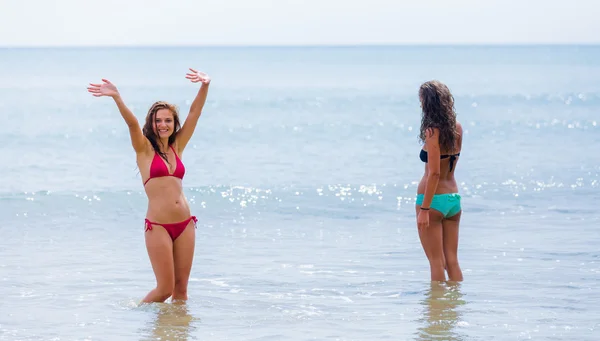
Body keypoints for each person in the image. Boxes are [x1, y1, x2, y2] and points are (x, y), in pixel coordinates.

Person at [87, 68, 211, 302]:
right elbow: (133, 125)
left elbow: (195, 112)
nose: (163, 125)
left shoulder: (178, 146)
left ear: (174, 124)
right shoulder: (144, 150)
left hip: (185, 224)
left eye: (168, 120)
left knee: (181, 291)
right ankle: (138, 322)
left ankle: (175, 334)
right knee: (164, 290)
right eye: (158, 120)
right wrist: (117, 98)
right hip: (159, 227)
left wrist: (205, 85)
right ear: (151, 124)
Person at [415, 80, 464, 282]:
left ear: (429, 103)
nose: (420, 105)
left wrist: (425, 209)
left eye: (421, 101)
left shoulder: (432, 132)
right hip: (453, 199)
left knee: (436, 262)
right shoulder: (457, 128)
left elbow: (434, 173)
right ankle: (455, 306)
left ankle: (437, 311)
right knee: (452, 261)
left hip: (433, 201)